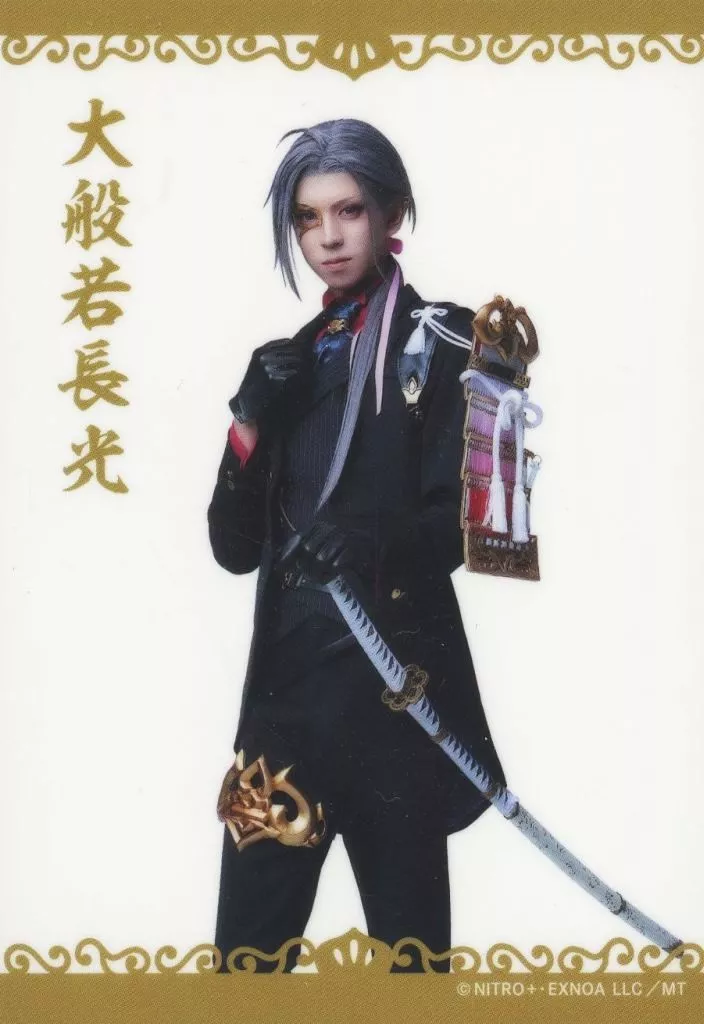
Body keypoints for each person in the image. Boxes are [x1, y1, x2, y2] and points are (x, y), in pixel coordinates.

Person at [208, 118, 505, 973]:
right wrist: (248, 423)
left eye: (348, 211)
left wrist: (369, 541)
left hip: (398, 705)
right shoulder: (287, 362)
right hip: (286, 710)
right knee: (243, 972)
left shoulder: (451, 345)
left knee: (412, 975)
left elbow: (476, 526)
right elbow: (233, 549)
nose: (328, 238)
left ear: (391, 213)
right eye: (307, 219)